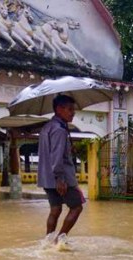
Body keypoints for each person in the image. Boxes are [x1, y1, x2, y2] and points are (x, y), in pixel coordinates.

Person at [38, 94, 84, 247]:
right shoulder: (59, 130)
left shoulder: (47, 127)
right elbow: (56, 157)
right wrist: (60, 179)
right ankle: (60, 240)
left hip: (46, 178)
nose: (73, 113)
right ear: (59, 109)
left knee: (55, 209)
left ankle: (48, 241)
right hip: (61, 178)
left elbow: (52, 153)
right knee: (77, 207)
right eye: (70, 109)